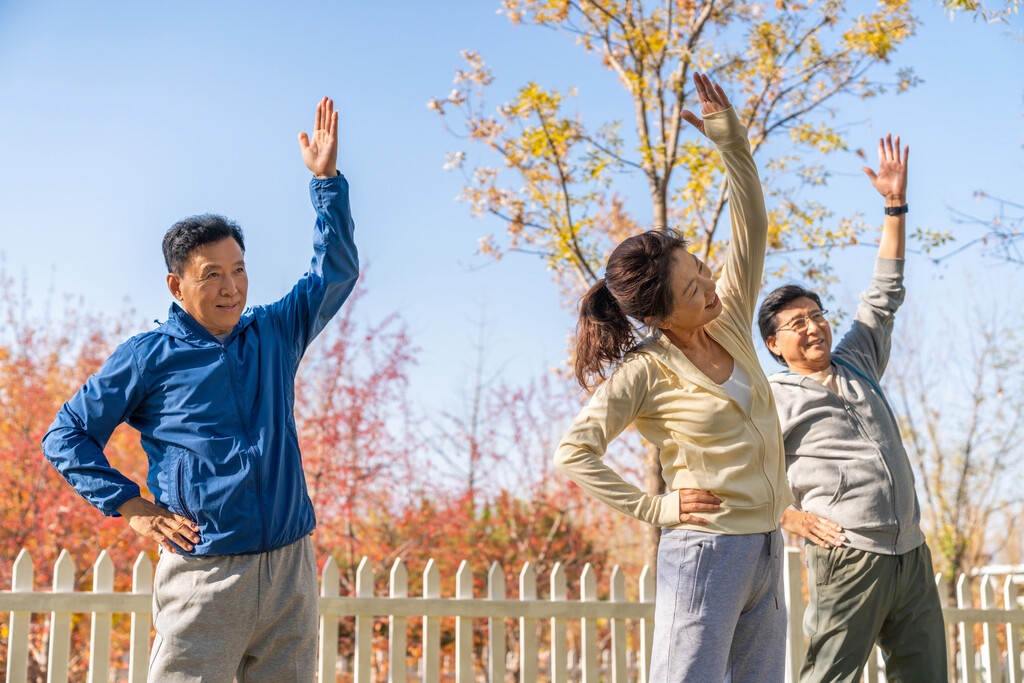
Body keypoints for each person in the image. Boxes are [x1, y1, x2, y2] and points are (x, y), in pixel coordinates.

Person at [41, 97, 357, 682]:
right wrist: (131, 505)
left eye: (238, 269)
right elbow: (67, 435)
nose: (231, 287)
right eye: (211, 274)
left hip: (290, 569)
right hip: (205, 576)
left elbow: (334, 273)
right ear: (176, 283)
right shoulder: (147, 357)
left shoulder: (274, 332)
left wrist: (326, 184)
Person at [553, 73, 792, 682]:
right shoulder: (645, 371)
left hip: (766, 544)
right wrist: (654, 507)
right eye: (693, 289)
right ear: (659, 314)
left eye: (703, 271)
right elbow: (574, 453)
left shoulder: (731, 320)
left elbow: (752, 227)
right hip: (705, 553)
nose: (711, 286)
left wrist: (731, 144)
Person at [758, 135, 947, 681]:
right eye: (797, 323)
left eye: (816, 315)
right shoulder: (771, 397)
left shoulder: (857, 359)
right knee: (830, 677)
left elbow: (884, 292)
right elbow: (741, 473)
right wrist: (787, 516)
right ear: (774, 343)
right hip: (849, 556)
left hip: (911, 552)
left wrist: (894, 208)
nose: (813, 326)